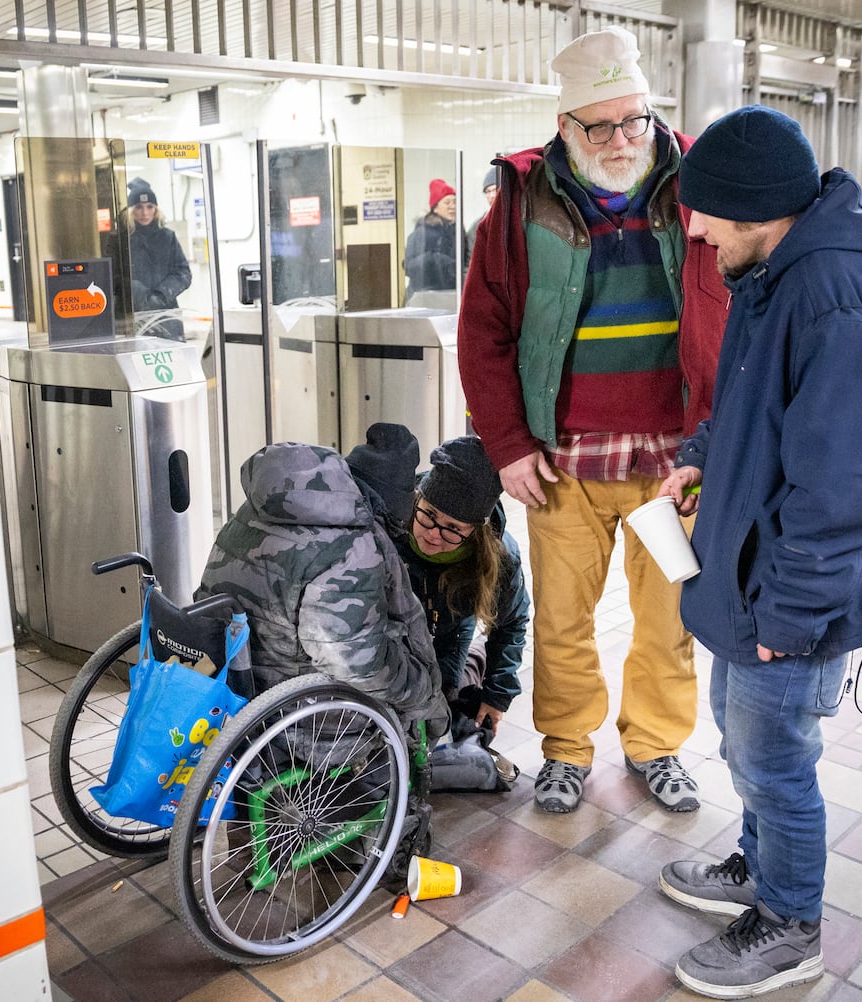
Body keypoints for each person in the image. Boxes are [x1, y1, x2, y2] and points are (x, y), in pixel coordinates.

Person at [653, 106, 862, 999]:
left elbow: (846, 482)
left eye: (708, 212)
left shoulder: (832, 289)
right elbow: (750, 405)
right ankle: (759, 870)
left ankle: (793, 923)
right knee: (741, 733)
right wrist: (696, 460)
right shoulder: (778, 272)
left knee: (773, 758)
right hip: (751, 576)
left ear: (758, 206)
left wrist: (793, 615)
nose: (697, 229)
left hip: (792, 594)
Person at [457, 25, 727, 815]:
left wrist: (718, 441)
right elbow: (483, 335)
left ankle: (656, 745)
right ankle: (567, 750)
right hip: (562, 464)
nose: (622, 139)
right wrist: (506, 447)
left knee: (668, 614)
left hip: (673, 461)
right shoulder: (517, 207)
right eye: (600, 125)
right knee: (565, 620)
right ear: (566, 127)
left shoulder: (699, 191)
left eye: (635, 119)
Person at [197, 440, 450, 741]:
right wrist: (423, 692)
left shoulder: (249, 516)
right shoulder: (351, 548)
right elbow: (358, 662)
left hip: (227, 692)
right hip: (298, 725)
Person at [351, 434, 527, 737]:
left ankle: (475, 660)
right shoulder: (390, 523)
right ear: (419, 498)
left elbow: (511, 624)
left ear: (476, 531)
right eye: (429, 515)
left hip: (450, 633)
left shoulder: (500, 557)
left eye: (454, 529)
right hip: (392, 635)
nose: (434, 534)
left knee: (439, 712)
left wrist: (497, 695)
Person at [127, 178, 191, 313]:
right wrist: (137, 292)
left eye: (149, 206)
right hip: (132, 312)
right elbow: (113, 277)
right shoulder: (120, 240)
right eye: (139, 207)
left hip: (166, 312)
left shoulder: (168, 237)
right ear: (131, 211)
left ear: (156, 209)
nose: (145, 213)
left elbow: (183, 273)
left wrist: (161, 295)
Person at [405, 179, 469, 297]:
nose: (453, 206)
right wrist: (435, 259)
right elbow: (409, 267)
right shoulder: (422, 233)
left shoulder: (459, 232)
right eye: (447, 202)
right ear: (435, 208)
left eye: (455, 202)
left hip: (452, 295)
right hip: (425, 295)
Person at [466, 165, 500, 259]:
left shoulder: (517, 221)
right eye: (488, 191)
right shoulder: (478, 226)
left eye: (495, 189)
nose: (492, 195)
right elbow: (471, 260)